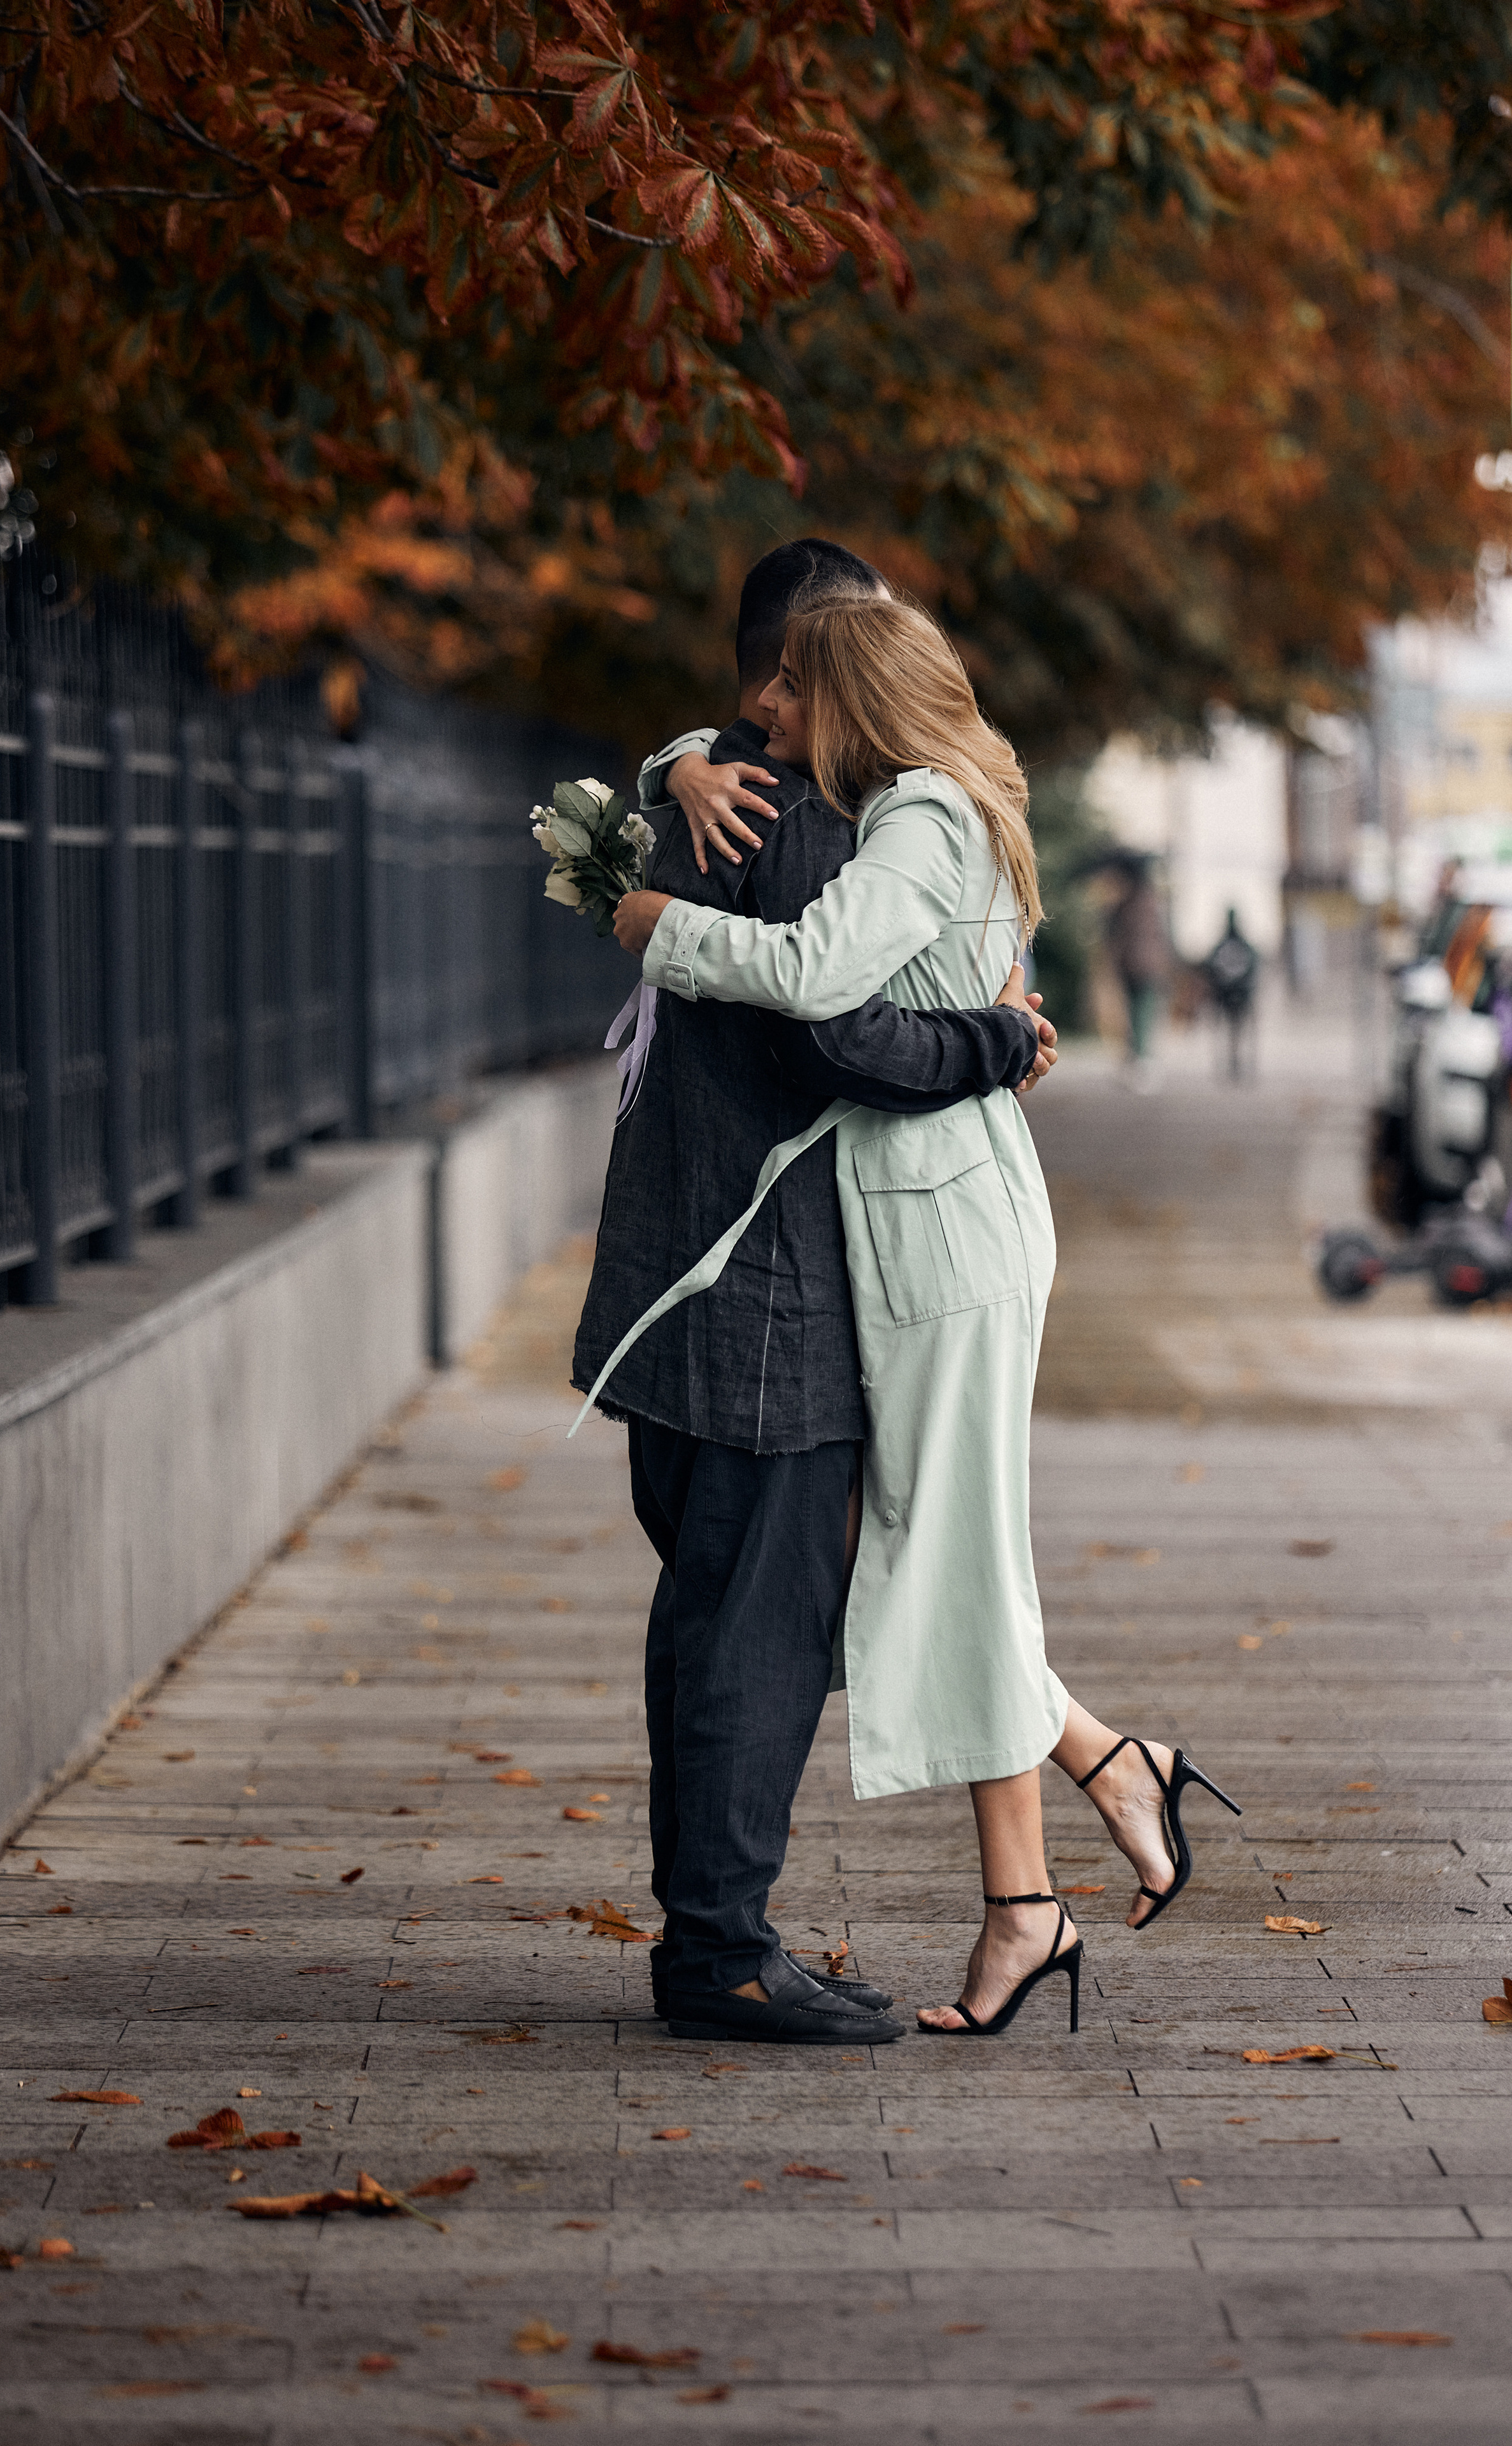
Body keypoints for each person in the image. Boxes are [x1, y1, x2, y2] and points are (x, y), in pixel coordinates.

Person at [605, 594, 1241, 2038]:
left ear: (847, 693)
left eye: (784, 685)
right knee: (930, 1555)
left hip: (938, 1230)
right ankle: (1058, 1842)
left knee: (935, 1560)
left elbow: (820, 984)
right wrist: (664, 779)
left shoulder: (913, 819)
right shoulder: (943, 795)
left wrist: (658, 925)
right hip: (925, 1215)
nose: (759, 710)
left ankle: (1077, 1819)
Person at [571, 541, 1058, 2049]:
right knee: (754, 1625)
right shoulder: (792, 810)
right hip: (766, 1291)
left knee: (709, 1609)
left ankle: (717, 1927)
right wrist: (993, 1042)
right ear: (803, 664)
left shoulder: (697, 779)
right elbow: (832, 1038)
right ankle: (717, 1948)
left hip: (668, 1270)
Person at [1106, 856, 1171, 1082]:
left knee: (1137, 1012)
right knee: (1142, 1012)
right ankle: (1140, 1058)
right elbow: (1163, 936)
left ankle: (1140, 1058)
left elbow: (1114, 933)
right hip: (1149, 966)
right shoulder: (1153, 903)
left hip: (1133, 966)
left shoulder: (1126, 904)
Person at [1204, 906, 1259, 1082]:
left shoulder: (1221, 945)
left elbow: (1211, 967)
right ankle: (1239, 1064)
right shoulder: (1245, 945)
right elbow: (1254, 966)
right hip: (1242, 996)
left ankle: (1231, 1064)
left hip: (1225, 995)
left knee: (1227, 1031)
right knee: (1240, 1032)